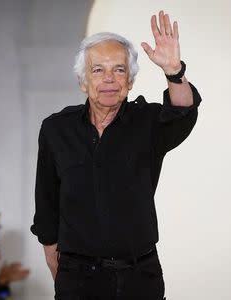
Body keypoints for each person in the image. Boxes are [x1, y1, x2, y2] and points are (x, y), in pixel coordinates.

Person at [31, 10, 202, 299]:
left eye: (119, 69)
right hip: (78, 277)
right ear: (82, 80)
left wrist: (174, 71)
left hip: (140, 275)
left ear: (130, 81)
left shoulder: (147, 122)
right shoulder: (56, 129)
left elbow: (183, 112)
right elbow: (47, 206)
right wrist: (60, 274)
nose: (109, 78)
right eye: (98, 70)